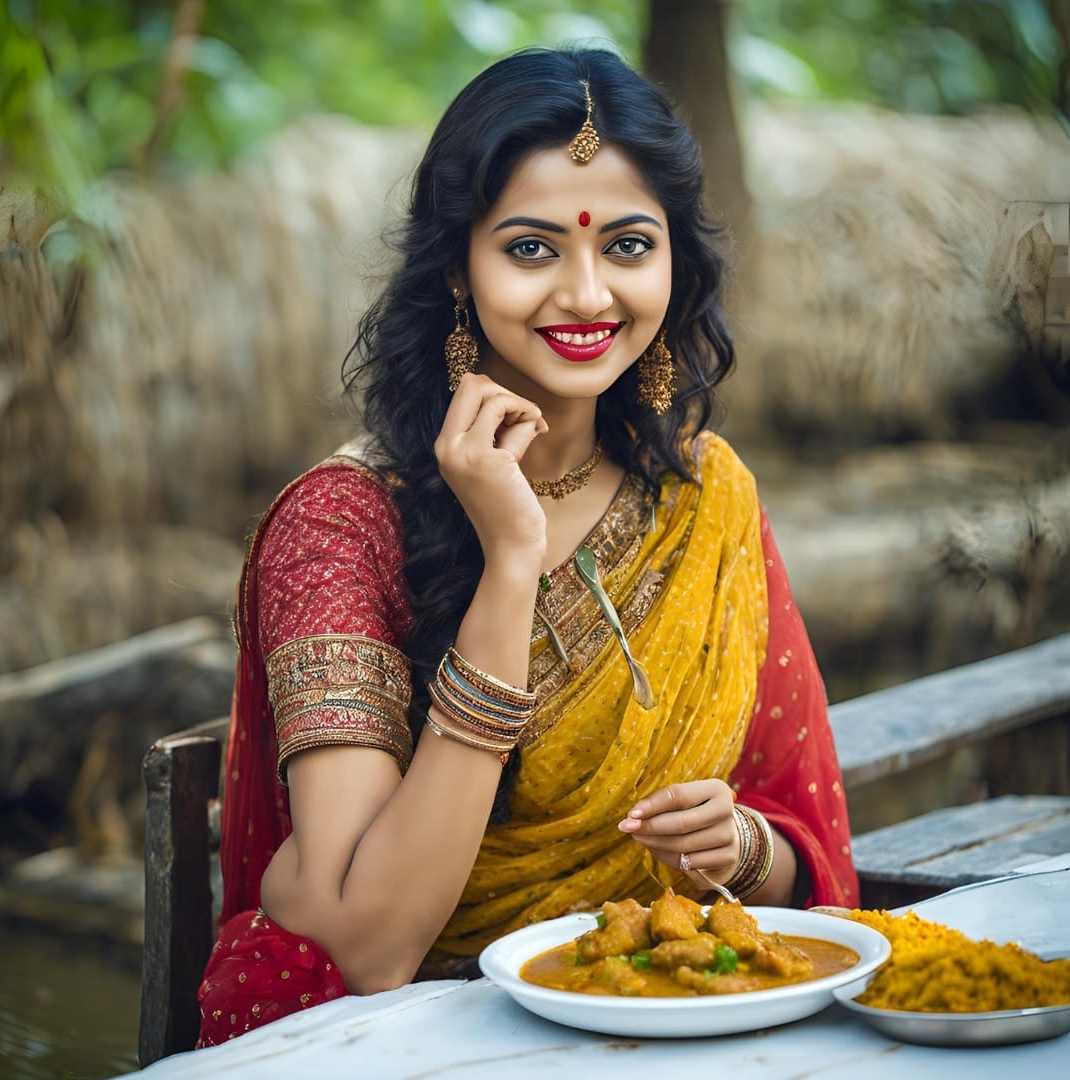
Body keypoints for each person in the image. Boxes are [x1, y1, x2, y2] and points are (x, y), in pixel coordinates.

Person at [196, 45, 859, 1047]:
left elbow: (803, 858)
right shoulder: (338, 532)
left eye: (629, 246)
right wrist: (509, 562)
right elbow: (368, 942)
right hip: (418, 1039)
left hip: (672, 1016)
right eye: (533, 249)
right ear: (459, 267)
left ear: (676, 264)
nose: (589, 295)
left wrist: (742, 847)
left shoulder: (705, 500)